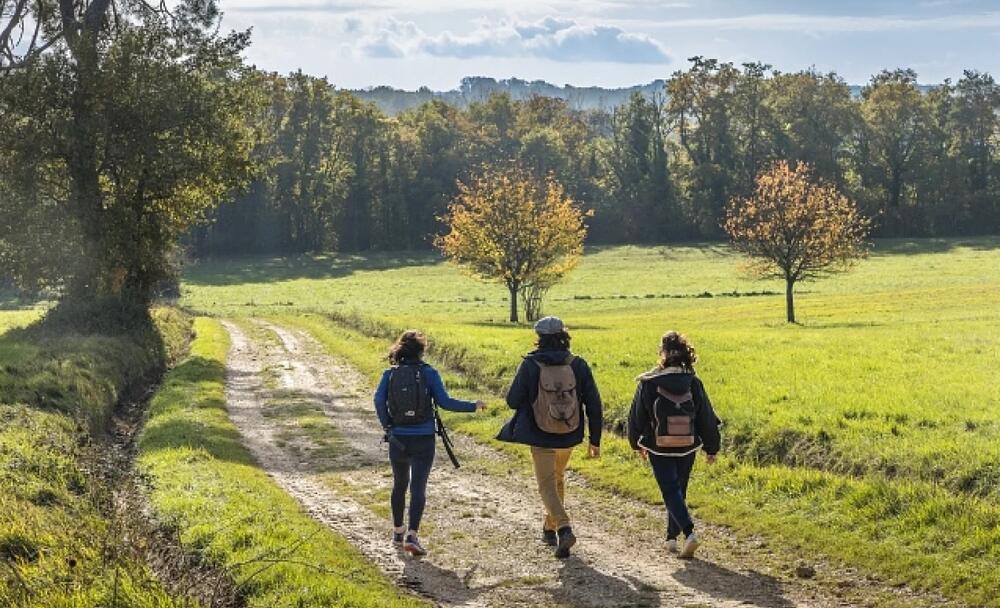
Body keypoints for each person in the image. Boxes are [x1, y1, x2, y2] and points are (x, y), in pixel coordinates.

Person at [498, 316, 603, 559]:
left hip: (540, 433)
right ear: (564, 335)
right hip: (569, 433)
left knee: (546, 484)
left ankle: (564, 527)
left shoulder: (530, 364)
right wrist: (594, 439)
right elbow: (594, 403)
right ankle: (549, 527)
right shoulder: (578, 364)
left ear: (540, 338)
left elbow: (512, 400)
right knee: (557, 479)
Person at [374, 329, 486, 557]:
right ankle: (412, 536)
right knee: (418, 487)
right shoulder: (429, 373)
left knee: (399, 483)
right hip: (424, 438)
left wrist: (388, 427)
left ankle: (397, 531)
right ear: (421, 351)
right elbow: (445, 402)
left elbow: (378, 400)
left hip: (398, 438)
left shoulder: (390, 374)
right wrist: (473, 405)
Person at [627, 331, 721, 559]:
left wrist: (635, 442)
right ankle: (671, 538)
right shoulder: (693, 382)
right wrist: (712, 447)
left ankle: (688, 533)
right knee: (679, 489)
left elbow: (636, 416)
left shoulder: (649, 382)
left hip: (658, 445)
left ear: (664, 354)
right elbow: (706, 417)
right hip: (688, 445)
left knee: (670, 490)